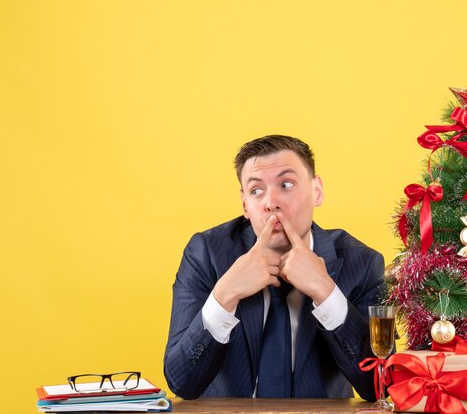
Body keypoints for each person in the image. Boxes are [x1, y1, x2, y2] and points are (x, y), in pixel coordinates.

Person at [163, 135, 385, 400]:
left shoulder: (362, 263)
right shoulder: (205, 253)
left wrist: (326, 293)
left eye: (286, 184)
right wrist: (224, 297)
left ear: (317, 191)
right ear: (245, 204)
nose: (271, 202)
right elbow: (181, 383)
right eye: (256, 190)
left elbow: (379, 386)